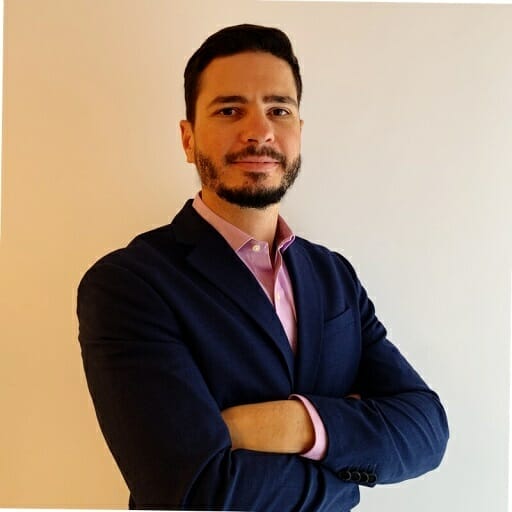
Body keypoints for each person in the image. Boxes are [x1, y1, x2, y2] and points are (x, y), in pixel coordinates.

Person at [77, 24, 449, 511]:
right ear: (188, 139)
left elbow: (426, 430)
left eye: (279, 109)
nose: (259, 131)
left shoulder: (333, 276)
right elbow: (196, 492)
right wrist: (344, 476)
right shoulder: (128, 284)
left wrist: (295, 425)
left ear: (298, 131)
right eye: (230, 110)